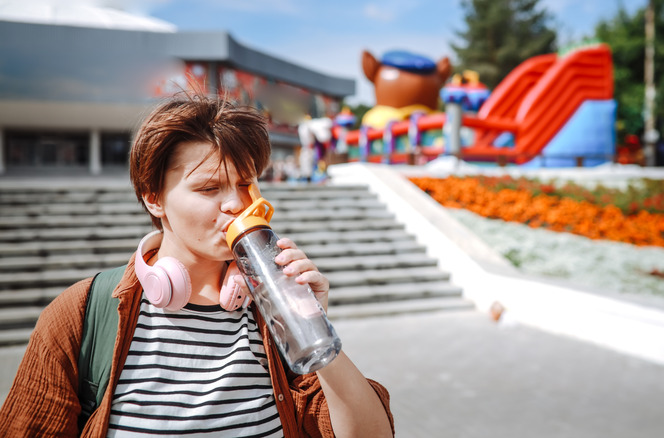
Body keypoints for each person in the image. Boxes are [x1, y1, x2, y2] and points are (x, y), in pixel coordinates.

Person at [0, 93, 394, 437]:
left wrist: (312, 326)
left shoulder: (271, 316)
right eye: (209, 188)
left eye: (245, 183)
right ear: (153, 197)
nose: (236, 204)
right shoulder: (82, 314)